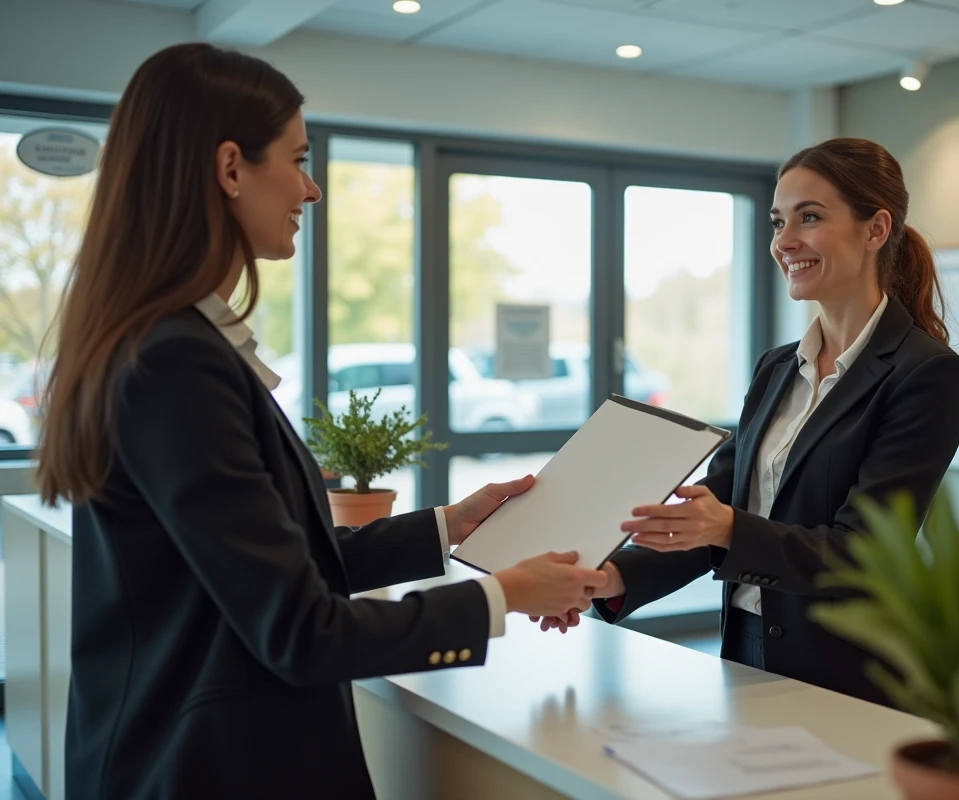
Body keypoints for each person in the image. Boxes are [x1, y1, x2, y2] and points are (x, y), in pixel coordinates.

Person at [34, 43, 607, 800]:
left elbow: (278, 560)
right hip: (205, 769)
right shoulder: (176, 361)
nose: (312, 190)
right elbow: (301, 631)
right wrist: (501, 596)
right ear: (231, 167)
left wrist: (450, 524)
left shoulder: (163, 343)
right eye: (298, 159)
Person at [534, 138, 959, 707]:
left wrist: (727, 529)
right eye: (777, 222)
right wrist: (612, 578)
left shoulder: (927, 374)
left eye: (809, 218)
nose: (784, 242)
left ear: (876, 229)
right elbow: (717, 512)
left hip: (849, 664)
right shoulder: (775, 369)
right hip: (746, 642)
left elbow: (864, 553)